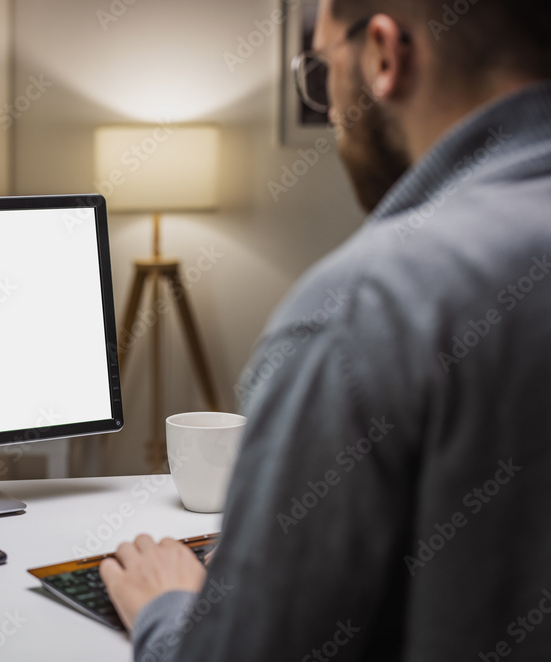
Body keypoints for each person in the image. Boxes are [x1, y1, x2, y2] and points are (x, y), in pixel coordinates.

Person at [100, 0, 551, 659]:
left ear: (385, 56)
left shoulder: (368, 307)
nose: (331, 106)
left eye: (321, 68)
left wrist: (167, 608)